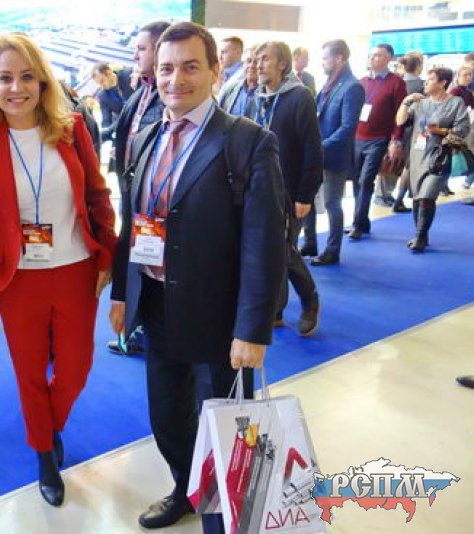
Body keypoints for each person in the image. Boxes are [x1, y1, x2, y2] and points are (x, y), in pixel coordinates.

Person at [110, 22, 285, 530]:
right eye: (166, 68)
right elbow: (132, 222)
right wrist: (122, 292)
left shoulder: (247, 142)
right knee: (167, 418)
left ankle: (226, 520)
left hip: (219, 317)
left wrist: (252, 330)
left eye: (190, 67)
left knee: (227, 430)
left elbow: (264, 243)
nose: (176, 79)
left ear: (214, 71)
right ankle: (190, 489)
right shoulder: (147, 137)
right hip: (157, 304)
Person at [0, 33, 117, 507]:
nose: (17, 88)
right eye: (5, 78)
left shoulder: (72, 129)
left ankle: (50, 424)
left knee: (75, 370)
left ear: (43, 82)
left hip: (76, 270)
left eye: (27, 76)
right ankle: (44, 449)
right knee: (29, 370)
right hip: (17, 278)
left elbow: (97, 194)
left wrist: (107, 253)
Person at [107, 20, 170, 356]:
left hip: (157, 206)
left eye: (141, 48)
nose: (135, 55)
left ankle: (147, 332)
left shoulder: (170, 98)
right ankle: (140, 329)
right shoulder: (141, 93)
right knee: (137, 266)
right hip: (135, 201)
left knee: (152, 272)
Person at [255, 41, 322, 336]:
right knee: (269, 251)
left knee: (284, 251)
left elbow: (312, 149)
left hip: (291, 192)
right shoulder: (259, 98)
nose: (259, 64)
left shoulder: (300, 97)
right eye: (257, 59)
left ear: (282, 64)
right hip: (261, 191)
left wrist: (305, 195)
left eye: (265, 59)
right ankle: (277, 310)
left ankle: (310, 300)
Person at [302, 39, 365, 266]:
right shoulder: (329, 84)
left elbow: (348, 127)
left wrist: (321, 146)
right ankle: (309, 243)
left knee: (332, 203)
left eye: (325, 58)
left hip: (334, 156)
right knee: (307, 197)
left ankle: (332, 250)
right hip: (317, 152)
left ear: (339, 58)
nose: (322, 63)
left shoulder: (352, 86)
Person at [395, 67, 469, 252]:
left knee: (427, 196)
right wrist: (405, 102)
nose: (425, 83)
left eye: (430, 80)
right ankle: (421, 234)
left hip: (439, 156)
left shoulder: (456, 103)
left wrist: (441, 131)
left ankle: (420, 237)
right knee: (417, 197)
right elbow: (400, 121)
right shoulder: (420, 102)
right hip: (417, 155)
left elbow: (463, 129)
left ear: (443, 83)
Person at [349, 44, 407, 240]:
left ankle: (358, 224)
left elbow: (401, 114)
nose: (372, 58)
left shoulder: (396, 83)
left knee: (366, 180)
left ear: (388, 58)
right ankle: (361, 220)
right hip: (357, 137)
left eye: (378, 55)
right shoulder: (361, 82)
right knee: (357, 180)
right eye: (371, 55)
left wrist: (396, 140)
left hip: (378, 139)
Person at [391, 52, 425, 212]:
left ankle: (394, 198)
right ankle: (399, 200)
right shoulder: (421, 85)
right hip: (414, 129)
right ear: (418, 66)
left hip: (396, 128)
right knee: (410, 165)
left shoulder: (397, 81)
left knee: (405, 165)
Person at [92, 62, 134, 147]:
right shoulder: (102, 96)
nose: (101, 86)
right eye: (98, 84)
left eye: (102, 81)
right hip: (124, 129)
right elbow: (106, 121)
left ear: (108, 72)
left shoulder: (129, 74)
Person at [218, 46, 259, 119]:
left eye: (256, 62)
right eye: (248, 61)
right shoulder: (231, 89)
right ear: (243, 64)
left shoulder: (266, 93)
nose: (252, 65)